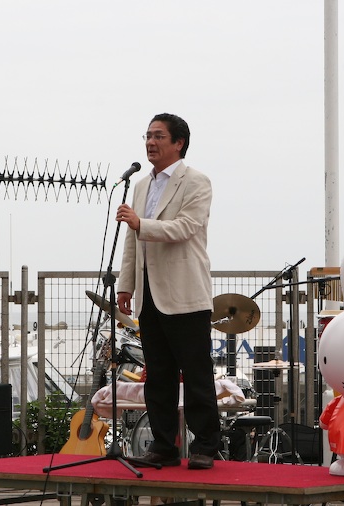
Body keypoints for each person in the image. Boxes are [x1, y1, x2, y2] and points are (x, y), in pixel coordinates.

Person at [116, 113, 220, 470]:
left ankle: (205, 445)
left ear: (179, 143)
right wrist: (126, 284)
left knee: (196, 373)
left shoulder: (196, 182)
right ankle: (163, 446)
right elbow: (132, 241)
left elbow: (185, 227)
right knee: (158, 375)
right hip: (149, 295)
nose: (150, 142)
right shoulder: (141, 185)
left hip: (185, 294)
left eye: (159, 136)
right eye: (147, 135)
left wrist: (140, 223)